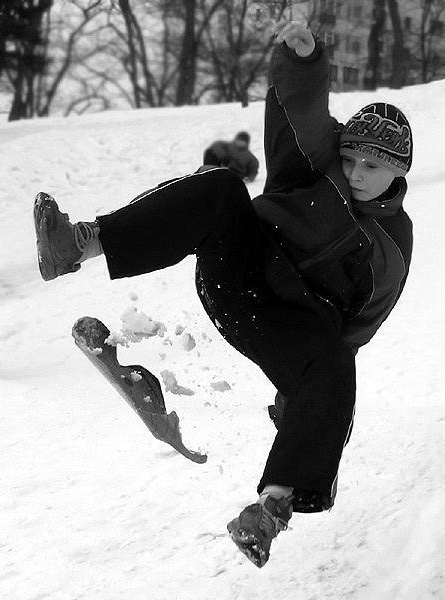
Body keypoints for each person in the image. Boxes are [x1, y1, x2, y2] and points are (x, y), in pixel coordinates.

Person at [33, 22, 413, 568]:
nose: (353, 172)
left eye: (370, 166)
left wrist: (301, 400)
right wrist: (302, 61)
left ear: (398, 171)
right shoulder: (316, 165)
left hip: (284, 323)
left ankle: (271, 509)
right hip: (239, 274)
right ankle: (79, 245)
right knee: (221, 187)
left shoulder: (393, 247)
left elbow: (360, 327)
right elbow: (300, 115)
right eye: (349, 158)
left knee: (338, 365)